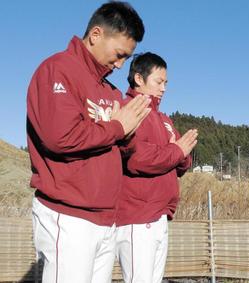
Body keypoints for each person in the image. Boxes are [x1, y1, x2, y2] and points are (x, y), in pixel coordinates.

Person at [26, 2, 149, 282]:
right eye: (119, 55)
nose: (120, 65)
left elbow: (125, 149)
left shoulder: (111, 91)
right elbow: (61, 138)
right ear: (96, 34)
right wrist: (118, 127)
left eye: (126, 59)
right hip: (68, 215)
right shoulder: (57, 70)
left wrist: (127, 134)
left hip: (106, 219)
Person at [115, 52, 198, 283]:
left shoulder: (164, 119)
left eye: (166, 83)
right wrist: (176, 151)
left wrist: (179, 153)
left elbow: (183, 163)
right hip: (137, 217)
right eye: (159, 82)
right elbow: (137, 158)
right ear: (139, 79)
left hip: (160, 215)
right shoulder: (128, 111)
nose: (164, 88)